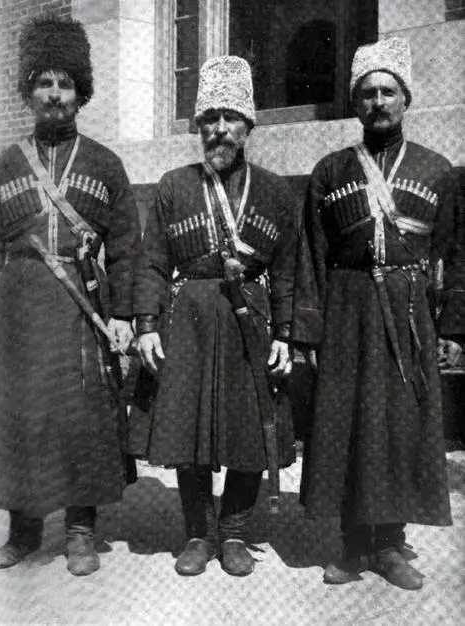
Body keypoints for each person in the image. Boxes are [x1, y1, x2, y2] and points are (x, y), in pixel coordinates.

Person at [0, 17, 141, 576]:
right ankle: (22, 532)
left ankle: (82, 531)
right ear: (28, 91)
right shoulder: (5, 166)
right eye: (44, 83)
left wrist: (126, 317)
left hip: (81, 310)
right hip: (19, 314)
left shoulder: (104, 164)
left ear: (81, 92)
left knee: (81, 417)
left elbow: (129, 248)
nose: (55, 95)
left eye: (65, 84)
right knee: (20, 417)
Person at [130, 56, 318, 577]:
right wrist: (146, 324)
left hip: (250, 319)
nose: (219, 128)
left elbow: (287, 270)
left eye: (230, 116)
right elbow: (151, 261)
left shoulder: (278, 192)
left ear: (249, 125)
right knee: (189, 432)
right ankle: (198, 532)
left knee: (247, 427)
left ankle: (233, 532)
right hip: (187, 316)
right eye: (209, 117)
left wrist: (286, 334)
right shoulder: (173, 185)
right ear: (197, 127)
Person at [299, 37, 465, 590]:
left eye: (388, 91)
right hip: (346, 311)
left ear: (405, 99)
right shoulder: (329, 171)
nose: (378, 102)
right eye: (367, 93)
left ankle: (390, 545)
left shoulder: (438, 171)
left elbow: (455, 256)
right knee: (348, 425)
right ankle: (353, 544)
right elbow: (312, 258)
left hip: (409, 311)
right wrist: (308, 331)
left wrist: (453, 329)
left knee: (397, 425)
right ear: (355, 102)